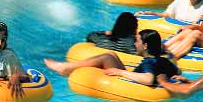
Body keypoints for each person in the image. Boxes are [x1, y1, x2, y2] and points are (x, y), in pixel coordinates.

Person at [45, 29, 180, 86]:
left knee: (105, 58)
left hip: (129, 84)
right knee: (111, 54)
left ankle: (64, 68)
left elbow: (148, 79)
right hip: (135, 74)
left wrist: (119, 71)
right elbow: (177, 71)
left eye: (137, 41)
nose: (134, 43)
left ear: (145, 46)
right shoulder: (162, 60)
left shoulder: (149, 64)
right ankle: (65, 68)